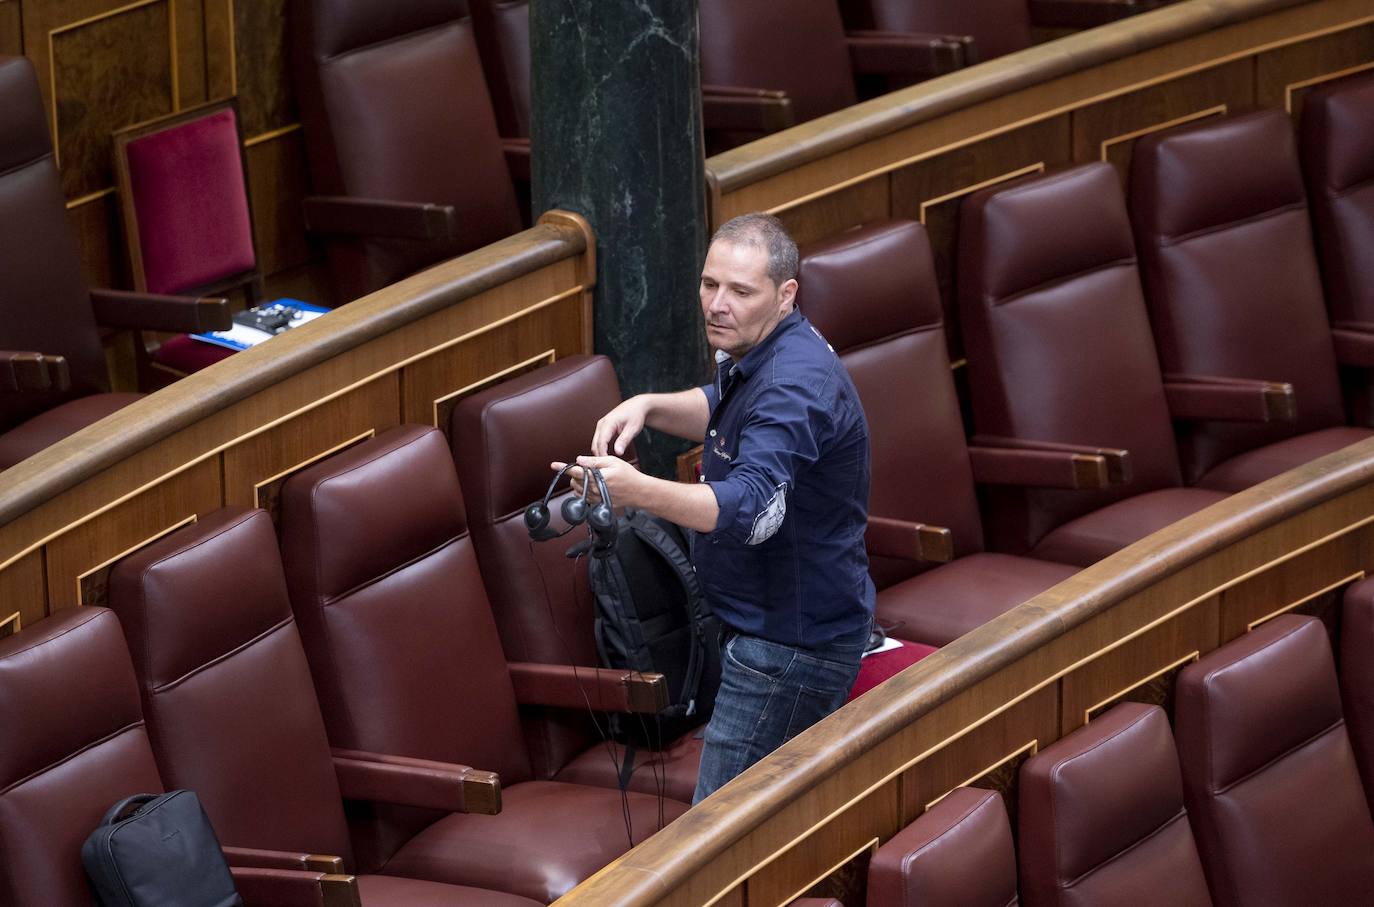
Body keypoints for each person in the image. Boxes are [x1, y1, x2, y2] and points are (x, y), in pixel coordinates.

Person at [557, 212, 874, 804]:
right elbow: (728, 407)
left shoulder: (793, 385)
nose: (717, 304)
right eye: (710, 285)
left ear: (786, 295)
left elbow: (751, 507)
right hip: (764, 628)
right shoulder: (766, 346)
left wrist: (634, 489)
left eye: (740, 291)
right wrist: (650, 405)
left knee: (718, 843)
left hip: (786, 651)